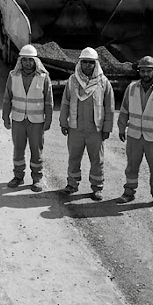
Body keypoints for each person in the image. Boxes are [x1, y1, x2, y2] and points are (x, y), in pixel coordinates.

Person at [118, 55, 153, 210]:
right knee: (131, 166)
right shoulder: (131, 88)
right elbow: (124, 110)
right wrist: (122, 128)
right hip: (134, 136)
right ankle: (128, 193)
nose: (145, 74)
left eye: (149, 71)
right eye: (143, 71)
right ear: (139, 72)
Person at [59, 47, 113, 201]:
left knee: (97, 160)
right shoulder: (72, 81)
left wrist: (107, 128)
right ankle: (72, 184)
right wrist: (64, 122)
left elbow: (109, 107)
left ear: (95, 64)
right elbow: (65, 103)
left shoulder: (103, 82)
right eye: (84, 62)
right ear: (80, 63)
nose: (88, 66)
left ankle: (97, 188)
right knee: (74, 158)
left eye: (91, 62)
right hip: (75, 128)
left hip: (95, 130)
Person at [2, 44, 53, 191]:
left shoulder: (43, 78)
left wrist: (48, 120)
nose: (27, 63)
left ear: (35, 61)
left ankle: (37, 178)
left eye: (30, 60)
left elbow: (49, 101)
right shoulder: (13, 76)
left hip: (36, 122)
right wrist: (5, 116)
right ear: (20, 61)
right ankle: (18, 176)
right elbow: (7, 98)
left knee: (36, 150)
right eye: (24, 60)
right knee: (18, 150)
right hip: (18, 120)